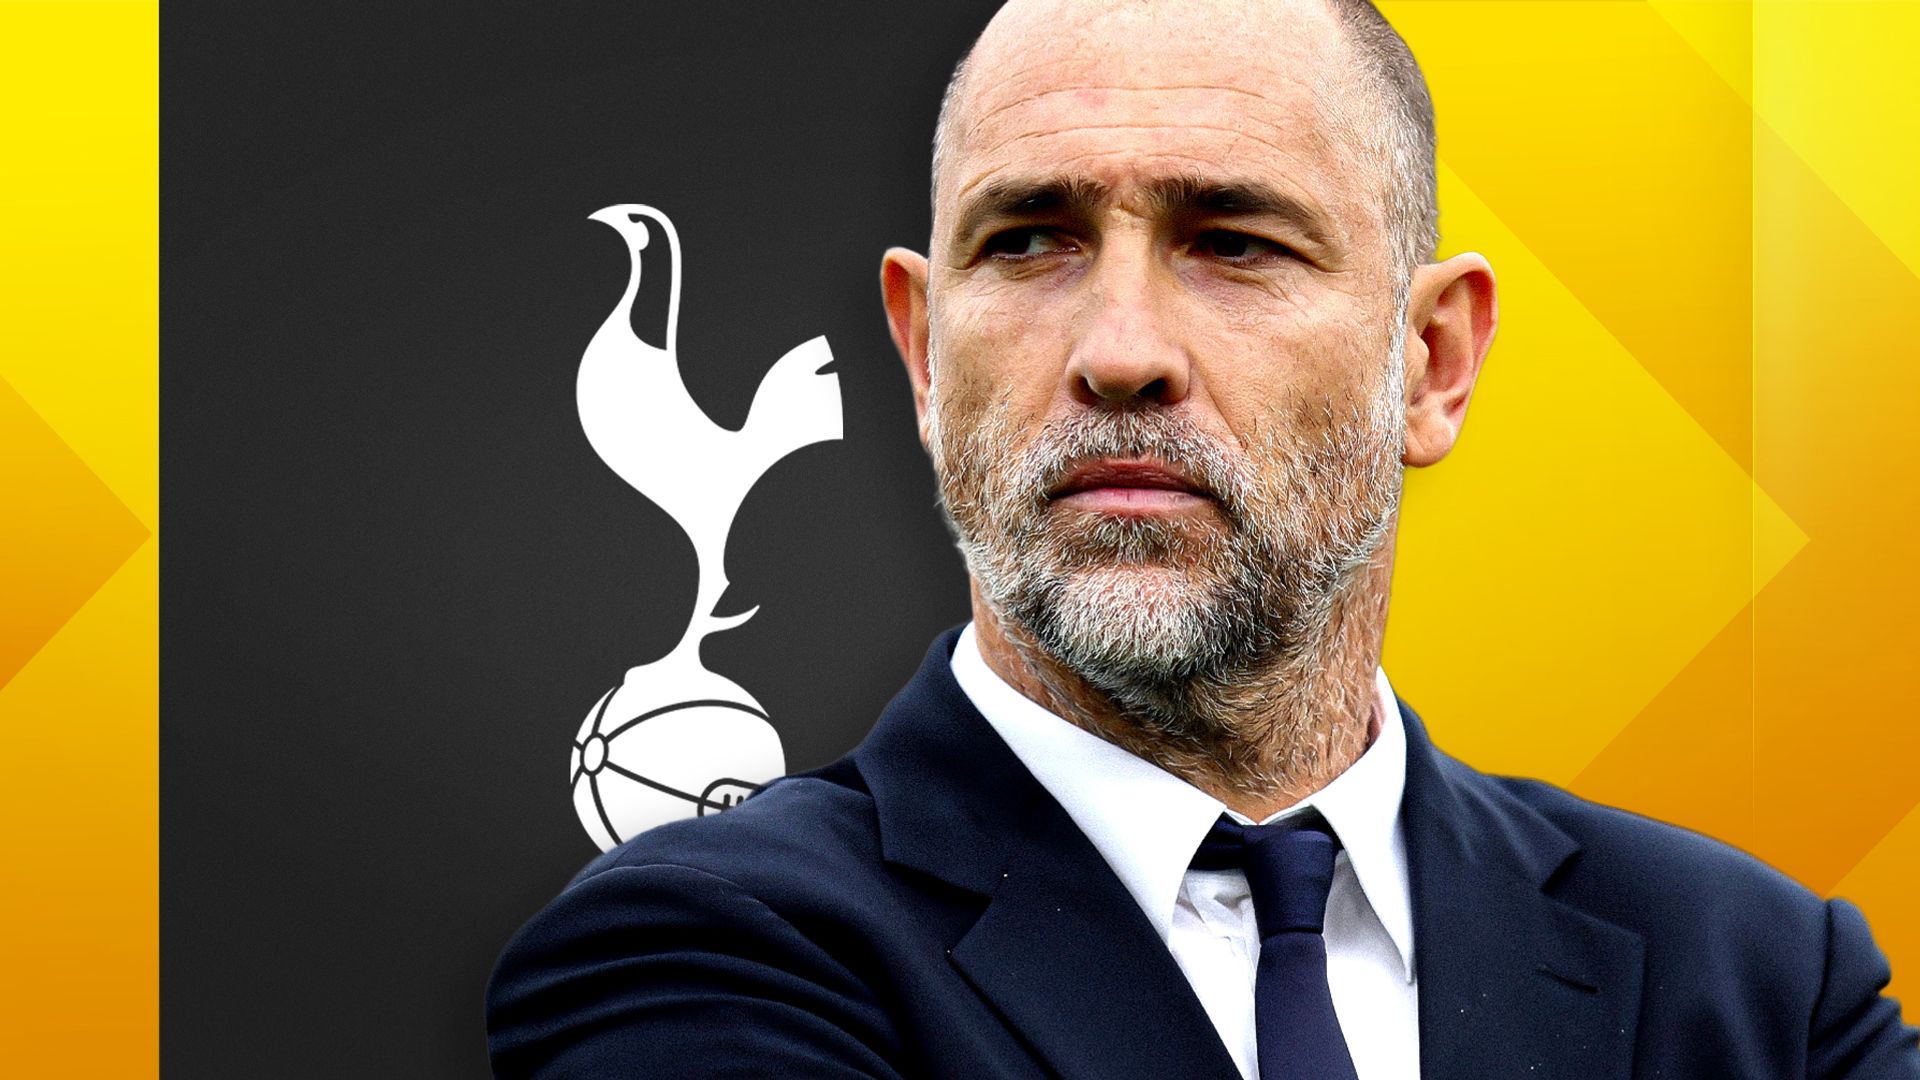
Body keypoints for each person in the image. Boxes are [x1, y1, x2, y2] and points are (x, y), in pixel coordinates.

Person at [486, 0, 1920, 1075]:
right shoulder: (699, 958)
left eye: (1234, 242)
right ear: (924, 359)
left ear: (1431, 362)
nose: (1120, 353)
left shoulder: (1756, 983)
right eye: (1028, 242)